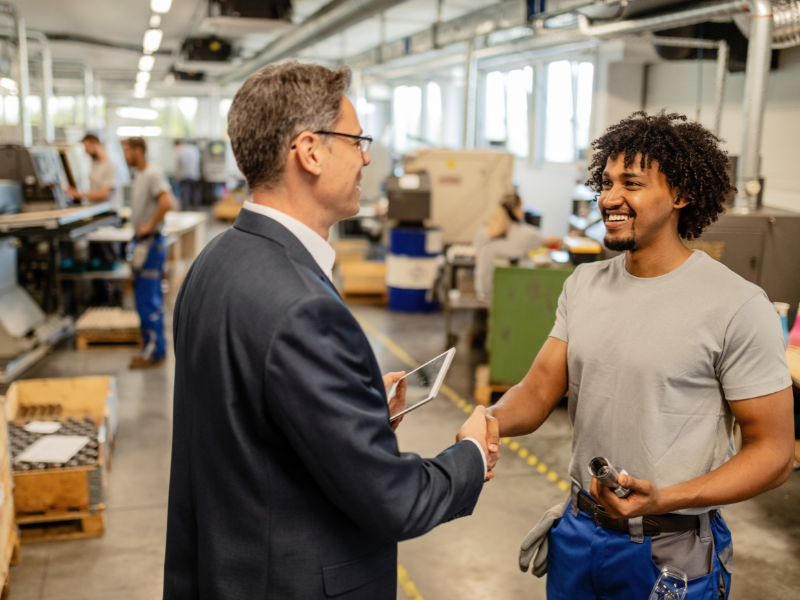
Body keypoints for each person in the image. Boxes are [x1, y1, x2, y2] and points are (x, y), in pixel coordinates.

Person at [163, 62, 500, 600]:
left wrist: (355, 413)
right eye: (356, 139)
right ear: (310, 151)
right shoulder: (302, 307)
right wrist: (470, 456)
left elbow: (249, 427)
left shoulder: (214, 262)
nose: (366, 156)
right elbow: (394, 501)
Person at [485, 111, 794, 599]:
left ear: (681, 194)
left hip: (670, 551)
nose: (610, 198)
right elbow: (537, 390)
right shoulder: (584, 285)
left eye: (631, 183)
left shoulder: (736, 305)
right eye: (607, 183)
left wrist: (665, 497)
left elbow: (774, 454)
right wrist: (488, 421)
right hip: (579, 534)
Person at [122, 137, 172, 369]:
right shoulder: (140, 175)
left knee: (148, 300)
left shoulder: (152, 174)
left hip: (151, 244)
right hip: (142, 243)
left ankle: (154, 352)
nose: (124, 155)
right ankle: (150, 348)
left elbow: (166, 202)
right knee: (144, 298)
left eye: (127, 150)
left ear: (138, 151)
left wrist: (149, 225)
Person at [473, 193, 553, 299]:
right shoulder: (524, 232)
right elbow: (548, 240)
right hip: (509, 292)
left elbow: (477, 255)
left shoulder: (484, 229)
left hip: (483, 289)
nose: (523, 210)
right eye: (521, 207)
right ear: (514, 210)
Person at [66, 133, 122, 213]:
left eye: (87, 148)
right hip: (96, 209)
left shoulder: (110, 165)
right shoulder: (94, 163)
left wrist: (79, 194)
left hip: (108, 212)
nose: (86, 152)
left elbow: (103, 193)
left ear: (95, 144)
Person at [173, 139, 201, 209]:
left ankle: (186, 209)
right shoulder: (194, 149)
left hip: (184, 176)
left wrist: (177, 176)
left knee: (185, 193)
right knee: (194, 192)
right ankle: (196, 207)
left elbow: (179, 165)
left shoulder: (180, 151)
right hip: (194, 175)